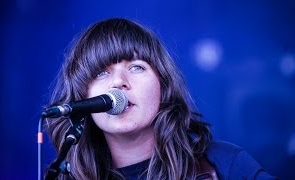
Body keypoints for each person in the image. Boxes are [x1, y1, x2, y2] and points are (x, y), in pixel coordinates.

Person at [45, 18, 276, 179]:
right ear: (82, 97)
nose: (118, 82)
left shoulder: (225, 164)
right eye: (101, 72)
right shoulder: (62, 175)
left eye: (136, 67)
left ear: (162, 86)